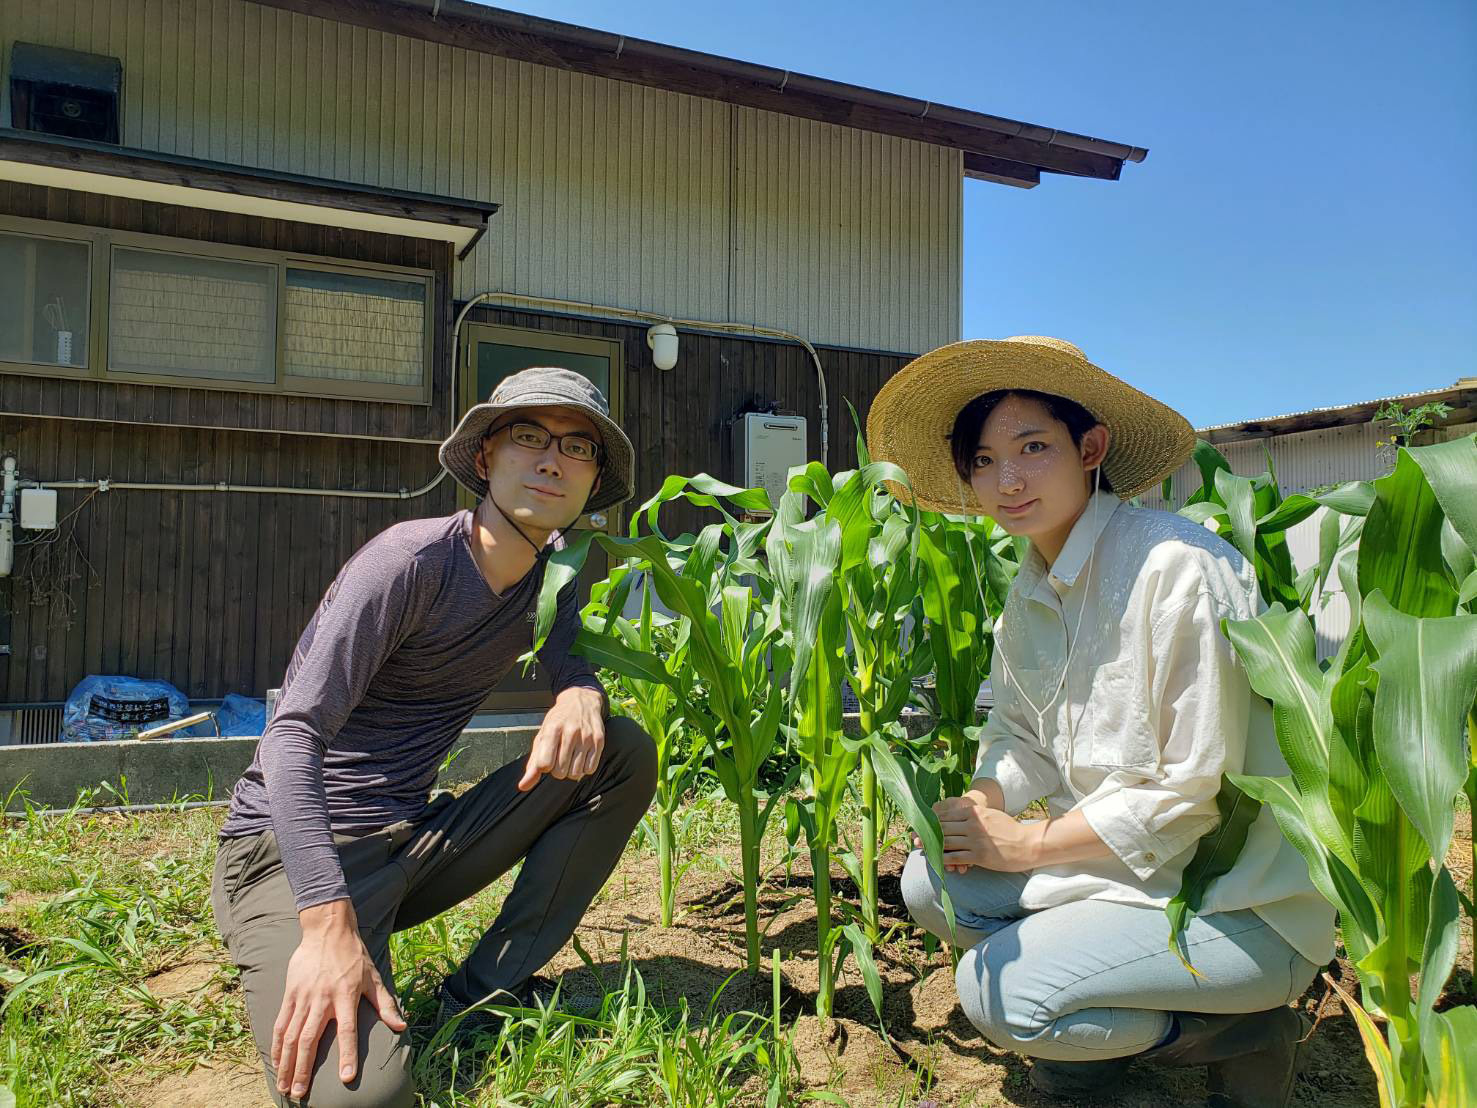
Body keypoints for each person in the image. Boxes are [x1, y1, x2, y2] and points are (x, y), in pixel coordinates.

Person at [866, 337, 1335, 1108]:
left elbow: (1189, 794)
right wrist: (983, 804)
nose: (1007, 480)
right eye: (983, 460)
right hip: (1124, 871)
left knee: (996, 990)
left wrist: (1030, 846)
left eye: (1032, 448)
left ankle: (1242, 1032)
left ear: (1089, 449)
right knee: (933, 884)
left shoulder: (1175, 570)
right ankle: (1097, 1022)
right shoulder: (1032, 586)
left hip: (1233, 899)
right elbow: (1018, 732)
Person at [212, 367, 656, 1107]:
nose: (552, 461)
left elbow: (570, 661)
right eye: (529, 436)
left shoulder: (552, 578)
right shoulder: (411, 563)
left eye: (577, 447)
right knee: (366, 1100)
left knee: (621, 750)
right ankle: (325, 943)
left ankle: (482, 996)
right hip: (289, 857)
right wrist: (325, 921)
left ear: (592, 478)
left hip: (409, 845)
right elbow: (291, 736)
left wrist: (581, 693)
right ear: (484, 456)